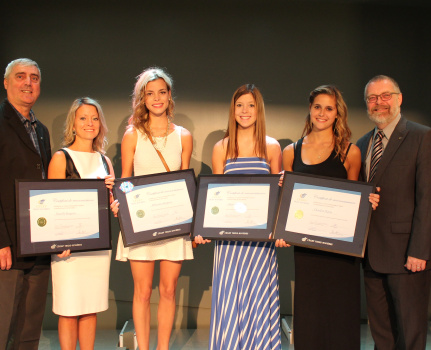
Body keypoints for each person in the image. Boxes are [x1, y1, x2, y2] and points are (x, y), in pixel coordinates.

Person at [278, 85, 374, 349]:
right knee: (310, 316)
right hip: (307, 251)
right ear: (310, 110)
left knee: (341, 316)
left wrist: (369, 202)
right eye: (317, 107)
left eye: (328, 108)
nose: (322, 113)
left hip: (341, 253)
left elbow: (354, 202)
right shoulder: (291, 152)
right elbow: (286, 202)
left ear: (337, 113)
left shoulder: (349, 151)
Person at [194, 84, 282, 350]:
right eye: (240, 105)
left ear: (259, 110)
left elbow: (278, 197)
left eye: (251, 105)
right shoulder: (222, 148)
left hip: (261, 243)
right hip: (229, 243)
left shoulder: (272, 147)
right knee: (230, 299)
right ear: (233, 110)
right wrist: (202, 228)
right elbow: (213, 198)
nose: (245, 111)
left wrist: (279, 230)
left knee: (259, 299)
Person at [356, 75, 431, 350]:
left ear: (399, 98)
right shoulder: (362, 144)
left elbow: (428, 198)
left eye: (385, 96)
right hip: (370, 254)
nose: (379, 103)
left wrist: (420, 250)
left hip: (407, 256)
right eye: (372, 98)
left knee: (410, 333)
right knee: (381, 333)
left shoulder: (422, 136)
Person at [116, 67, 193, 350]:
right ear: (142, 98)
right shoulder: (132, 135)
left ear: (169, 95)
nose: (157, 98)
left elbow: (186, 183)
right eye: (150, 94)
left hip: (174, 223)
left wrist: (191, 225)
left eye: (162, 92)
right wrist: (119, 200)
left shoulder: (183, 135)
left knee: (169, 290)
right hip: (141, 223)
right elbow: (125, 180)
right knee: (143, 291)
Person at [47, 97, 115, 350]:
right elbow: (51, 205)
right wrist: (57, 243)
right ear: (73, 123)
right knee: (69, 307)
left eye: (94, 118)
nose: (89, 123)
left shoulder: (105, 161)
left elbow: (111, 204)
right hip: (68, 249)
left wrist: (117, 205)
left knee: (90, 307)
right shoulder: (60, 158)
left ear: (100, 124)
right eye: (83, 118)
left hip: (97, 248)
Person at [0, 58, 52, 349]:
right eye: (20, 76)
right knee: (2, 323)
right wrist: (0, 240)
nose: (28, 83)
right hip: (8, 247)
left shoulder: (41, 130)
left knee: (29, 329)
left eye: (34, 77)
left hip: (39, 243)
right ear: (6, 83)